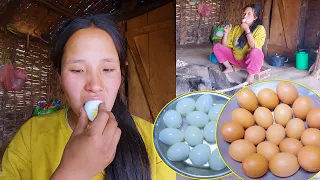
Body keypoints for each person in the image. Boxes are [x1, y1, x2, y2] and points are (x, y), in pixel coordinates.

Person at [0, 14, 176, 180]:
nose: (94, 85)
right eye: (77, 70)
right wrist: (70, 173)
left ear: (120, 77)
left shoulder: (157, 142)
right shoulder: (31, 135)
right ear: (60, 78)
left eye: (107, 69)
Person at [213, 4, 266, 84]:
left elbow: (253, 46)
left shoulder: (260, 29)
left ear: (255, 17)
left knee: (256, 52)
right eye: (244, 13)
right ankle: (229, 67)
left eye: (249, 14)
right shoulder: (237, 28)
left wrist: (247, 30)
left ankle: (251, 75)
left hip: (249, 62)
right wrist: (226, 33)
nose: (245, 16)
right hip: (235, 59)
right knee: (217, 46)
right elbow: (224, 45)